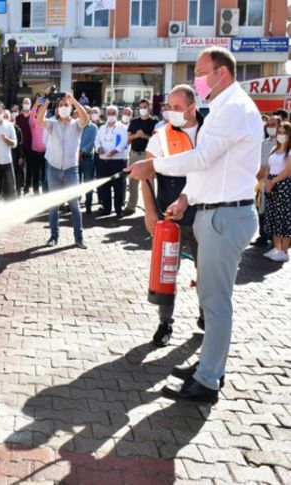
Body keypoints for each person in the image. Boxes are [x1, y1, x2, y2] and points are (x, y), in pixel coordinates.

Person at [127, 46, 261, 403]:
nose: (198, 80)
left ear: (222, 73)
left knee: (216, 304)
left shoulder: (233, 108)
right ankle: (208, 365)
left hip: (225, 215)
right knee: (210, 297)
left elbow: (202, 157)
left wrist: (153, 167)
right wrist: (187, 197)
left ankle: (207, 380)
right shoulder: (222, 109)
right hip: (214, 210)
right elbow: (212, 168)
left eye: (202, 73)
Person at [143, 84, 205, 347]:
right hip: (171, 216)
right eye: (169, 107)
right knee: (167, 271)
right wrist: (149, 212)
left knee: (207, 270)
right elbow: (146, 172)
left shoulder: (210, 131)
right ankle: (165, 322)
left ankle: (206, 315)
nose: (171, 113)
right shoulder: (161, 135)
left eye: (177, 108)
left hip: (204, 213)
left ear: (193, 107)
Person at [36, 93, 89, 248]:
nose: (64, 107)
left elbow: (85, 117)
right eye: (61, 105)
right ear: (57, 109)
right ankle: (53, 237)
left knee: (74, 205)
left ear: (71, 108)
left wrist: (73, 100)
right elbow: (39, 119)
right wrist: (47, 102)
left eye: (66, 105)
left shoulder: (76, 124)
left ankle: (78, 238)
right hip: (53, 169)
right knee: (54, 205)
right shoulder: (53, 124)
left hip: (71, 170)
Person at [261, 121, 291, 262]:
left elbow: (287, 170)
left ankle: (284, 251)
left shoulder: (289, 151)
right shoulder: (274, 149)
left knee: (284, 218)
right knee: (272, 216)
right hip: (271, 186)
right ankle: (276, 247)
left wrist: (273, 181)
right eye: (280, 132)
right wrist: (266, 181)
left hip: (283, 186)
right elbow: (267, 167)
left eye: (284, 133)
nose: (281, 135)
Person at [252, 115, 281, 247]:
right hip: (261, 182)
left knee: (275, 211)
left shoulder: (283, 144)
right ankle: (263, 236)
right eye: (268, 125)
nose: (270, 127)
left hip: (276, 181)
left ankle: (276, 240)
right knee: (260, 209)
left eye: (273, 125)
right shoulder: (263, 143)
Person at [125, 99, 158, 215]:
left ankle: (150, 209)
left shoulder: (154, 122)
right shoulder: (134, 122)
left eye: (145, 107)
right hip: (134, 154)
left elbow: (156, 140)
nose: (143, 109)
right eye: (141, 107)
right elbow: (128, 140)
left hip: (147, 155)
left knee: (148, 183)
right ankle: (131, 206)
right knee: (133, 182)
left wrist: (144, 136)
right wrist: (136, 136)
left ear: (149, 108)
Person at [95, 106, 129, 217]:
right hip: (103, 161)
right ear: (105, 114)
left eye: (113, 112)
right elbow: (97, 141)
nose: (110, 114)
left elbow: (124, 142)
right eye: (108, 112)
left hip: (117, 161)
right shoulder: (101, 128)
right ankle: (107, 208)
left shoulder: (122, 127)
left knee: (118, 186)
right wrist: (98, 148)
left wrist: (116, 150)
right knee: (104, 186)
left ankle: (119, 210)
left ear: (117, 114)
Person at [26, 95, 47, 195]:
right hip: (35, 153)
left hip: (46, 153)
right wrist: (35, 105)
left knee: (45, 174)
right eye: (40, 110)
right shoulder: (34, 121)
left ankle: (45, 192)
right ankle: (35, 192)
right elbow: (31, 118)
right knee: (36, 173)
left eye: (43, 110)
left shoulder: (47, 122)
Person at [79, 106, 98, 213]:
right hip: (76, 158)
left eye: (88, 112)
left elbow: (92, 143)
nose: (86, 113)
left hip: (88, 158)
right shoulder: (76, 125)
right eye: (84, 112)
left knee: (88, 182)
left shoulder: (94, 127)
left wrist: (82, 152)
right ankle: (75, 204)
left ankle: (88, 205)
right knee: (76, 183)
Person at [14, 98, 34, 197]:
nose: (26, 104)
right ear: (22, 104)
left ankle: (27, 187)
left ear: (30, 104)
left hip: (31, 146)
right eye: (24, 103)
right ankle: (19, 187)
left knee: (30, 168)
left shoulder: (33, 116)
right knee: (20, 168)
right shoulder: (18, 118)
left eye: (28, 103)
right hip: (20, 147)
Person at [5, 109, 25, 196]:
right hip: (4, 156)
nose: (5, 118)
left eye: (7, 117)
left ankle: (17, 192)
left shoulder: (16, 129)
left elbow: (20, 144)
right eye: (4, 116)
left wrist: (21, 156)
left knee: (16, 173)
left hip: (15, 155)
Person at [0, 39, 22, 109]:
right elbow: (1, 69)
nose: (11, 47)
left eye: (13, 46)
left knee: (13, 98)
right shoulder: (5, 56)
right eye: (10, 46)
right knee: (5, 97)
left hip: (14, 80)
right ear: (8, 46)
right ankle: (5, 110)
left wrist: (18, 76)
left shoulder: (18, 56)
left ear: (15, 46)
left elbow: (20, 68)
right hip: (7, 80)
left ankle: (12, 110)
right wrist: (2, 79)